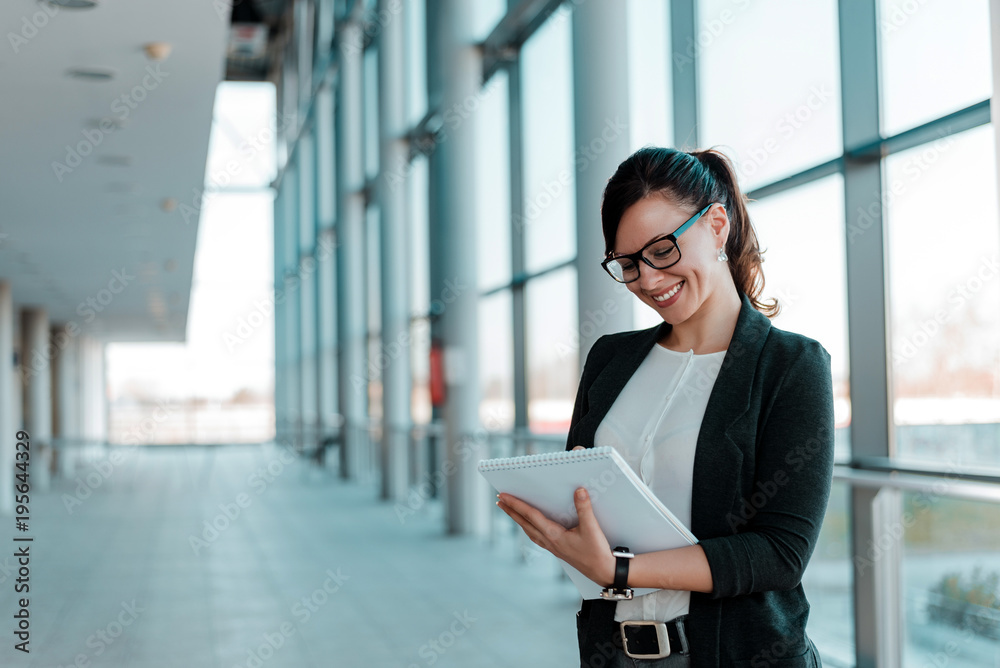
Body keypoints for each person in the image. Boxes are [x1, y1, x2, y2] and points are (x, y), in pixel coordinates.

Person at [496, 146, 835, 667]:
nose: (649, 280)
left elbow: (779, 554)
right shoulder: (611, 359)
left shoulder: (791, 365)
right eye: (628, 264)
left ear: (717, 225)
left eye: (663, 250)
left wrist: (621, 570)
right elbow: (577, 495)